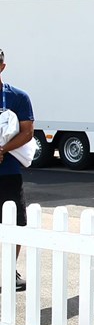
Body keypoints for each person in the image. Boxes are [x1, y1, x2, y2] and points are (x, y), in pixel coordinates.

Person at [0, 49, 35, 293]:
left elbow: (28, 132)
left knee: (16, 224)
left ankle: (9, 271)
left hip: (9, 172)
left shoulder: (17, 97)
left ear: (2, 67)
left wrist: (2, 149)